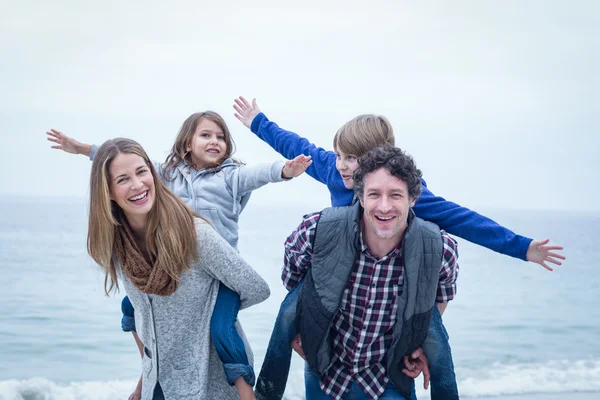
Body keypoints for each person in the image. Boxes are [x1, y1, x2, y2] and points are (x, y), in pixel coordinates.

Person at [232, 96, 565, 400]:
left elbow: (464, 220)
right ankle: (266, 393)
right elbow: (295, 145)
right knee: (292, 308)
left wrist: (522, 248)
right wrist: (259, 122)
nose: (343, 166)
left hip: (398, 280)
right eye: (340, 156)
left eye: (352, 158)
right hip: (337, 270)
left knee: (432, 328)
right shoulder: (336, 174)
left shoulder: (406, 191)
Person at [46, 111, 311, 400]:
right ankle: (146, 372)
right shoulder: (163, 184)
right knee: (132, 311)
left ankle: (246, 392)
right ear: (187, 144)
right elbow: (116, 159)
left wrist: (285, 170)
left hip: (221, 283)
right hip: (160, 382)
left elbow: (258, 174)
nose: (136, 184)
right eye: (206, 135)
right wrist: (81, 148)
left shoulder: (227, 182)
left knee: (221, 327)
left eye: (221, 137)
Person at [86, 137, 270, 399]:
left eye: (142, 172)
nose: (137, 184)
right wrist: (143, 382)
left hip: (207, 385)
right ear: (108, 192)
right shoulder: (117, 246)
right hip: (158, 384)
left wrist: (212, 312)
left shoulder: (195, 236)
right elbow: (143, 315)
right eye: (123, 179)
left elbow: (256, 288)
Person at [289, 145, 459, 399]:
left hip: (389, 371)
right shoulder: (316, 230)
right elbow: (294, 279)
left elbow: (438, 301)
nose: (383, 206)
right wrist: (300, 326)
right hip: (324, 369)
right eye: (374, 194)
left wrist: (416, 341)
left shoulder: (440, 248)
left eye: (395, 195)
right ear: (360, 196)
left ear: (413, 199)